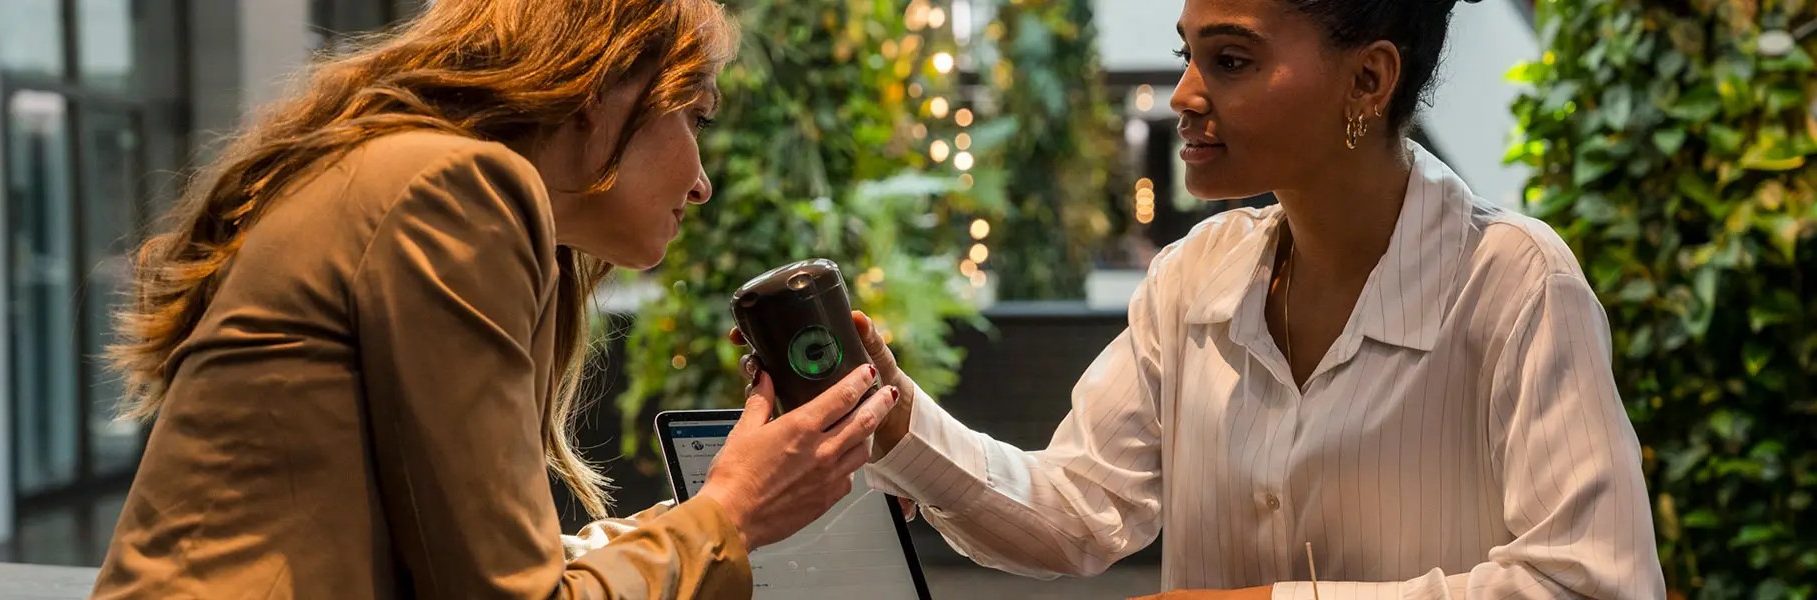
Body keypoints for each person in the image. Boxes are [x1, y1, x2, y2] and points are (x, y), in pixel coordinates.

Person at [756, 0, 1664, 597]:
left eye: (1230, 60)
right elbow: (1079, 512)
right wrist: (896, 421)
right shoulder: (1197, 276)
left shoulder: (1516, 284)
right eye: (1189, 55)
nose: (1186, 96)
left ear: (1369, 80)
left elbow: (1592, 581)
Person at [92, 1, 900, 597]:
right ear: (601, 90)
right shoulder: (456, 189)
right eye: (696, 115)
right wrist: (732, 513)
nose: (701, 180)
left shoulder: (411, 175)